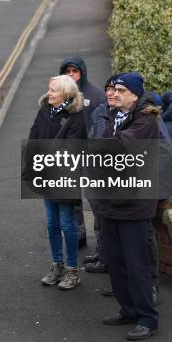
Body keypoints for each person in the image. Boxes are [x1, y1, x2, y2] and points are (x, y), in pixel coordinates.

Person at [96, 72, 160, 341]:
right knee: (116, 261)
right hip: (111, 202)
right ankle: (129, 310)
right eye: (111, 89)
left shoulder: (146, 120)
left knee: (137, 265)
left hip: (135, 204)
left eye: (120, 90)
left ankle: (148, 318)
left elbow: (121, 147)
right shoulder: (115, 116)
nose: (113, 94)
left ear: (134, 94)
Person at [28, 74, 87, 290]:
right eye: (49, 89)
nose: (49, 93)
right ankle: (57, 265)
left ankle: (72, 270)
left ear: (66, 94)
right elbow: (34, 136)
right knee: (51, 223)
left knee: (66, 224)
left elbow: (72, 149)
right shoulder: (45, 110)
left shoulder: (77, 116)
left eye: (53, 90)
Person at [59, 55, 106, 248]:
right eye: (67, 72)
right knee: (72, 199)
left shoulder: (96, 94)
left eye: (75, 71)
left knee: (95, 200)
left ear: (82, 72)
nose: (71, 75)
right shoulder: (60, 95)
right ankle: (78, 237)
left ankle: (102, 244)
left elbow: (102, 124)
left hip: (90, 155)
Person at [85, 75, 119, 273]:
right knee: (99, 220)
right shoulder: (99, 111)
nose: (110, 93)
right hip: (95, 176)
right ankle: (102, 254)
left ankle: (109, 261)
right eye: (107, 89)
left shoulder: (123, 116)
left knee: (109, 223)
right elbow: (91, 137)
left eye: (114, 89)